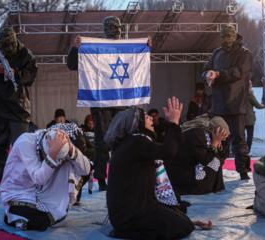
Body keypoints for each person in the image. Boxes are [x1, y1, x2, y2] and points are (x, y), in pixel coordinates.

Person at [105, 97, 212, 239]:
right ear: (137, 124)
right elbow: (167, 151)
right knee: (183, 227)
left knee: (182, 217)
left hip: (126, 213)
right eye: (145, 116)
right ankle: (126, 232)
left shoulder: (132, 142)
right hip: (131, 215)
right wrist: (173, 123)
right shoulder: (138, 141)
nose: (150, 118)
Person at [67, 16, 152, 191]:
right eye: (112, 27)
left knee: (124, 142)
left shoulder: (127, 47)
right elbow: (72, 64)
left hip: (122, 102)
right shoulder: (94, 47)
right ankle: (102, 179)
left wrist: (146, 47)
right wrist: (76, 49)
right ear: (106, 28)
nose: (115, 30)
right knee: (102, 143)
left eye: (117, 27)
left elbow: (139, 62)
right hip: (102, 103)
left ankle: (123, 176)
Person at [0, 27, 38, 197]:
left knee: (23, 150)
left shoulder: (25, 53)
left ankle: (24, 186)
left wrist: (17, 74)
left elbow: (32, 76)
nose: (7, 47)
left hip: (18, 110)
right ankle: (2, 185)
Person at [0, 128, 91, 231]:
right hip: (18, 193)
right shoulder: (25, 142)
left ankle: (48, 209)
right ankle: (11, 214)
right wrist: (52, 153)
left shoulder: (57, 141)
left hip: (40, 191)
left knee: (73, 163)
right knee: (41, 223)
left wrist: (70, 147)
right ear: (42, 150)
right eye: (45, 156)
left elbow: (86, 169)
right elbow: (39, 178)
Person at [202, 24, 253, 180]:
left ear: (234, 35)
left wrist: (218, 74)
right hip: (218, 104)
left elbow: (238, 72)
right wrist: (207, 75)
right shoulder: (216, 53)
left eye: (228, 36)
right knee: (217, 139)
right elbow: (206, 68)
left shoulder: (244, 53)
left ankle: (243, 171)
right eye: (223, 36)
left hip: (236, 103)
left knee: (238, 139)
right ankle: (215, 170)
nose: (226, 39)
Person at [164, 115, 229, 195]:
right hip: (180, 173)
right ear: (215, 132)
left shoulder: (204, 133)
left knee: (216, 160)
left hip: (186, 167)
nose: (222, 140)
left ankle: (214, 188)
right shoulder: (198, 134)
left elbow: (221, 156)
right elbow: (205, 160)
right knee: (215, 161)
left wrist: (217, 145)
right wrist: (214, 144)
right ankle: (207, 188)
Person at [245, 80, 264, 155]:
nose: (252, 85)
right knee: (250, 136)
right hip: (249, 119)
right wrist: (263, 105)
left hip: (241, 119)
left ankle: (242, 150)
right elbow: (257, 105)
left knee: (241, 136)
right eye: (251, 84)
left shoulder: (239, 94)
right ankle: (248, 151)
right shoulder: (250, 95)